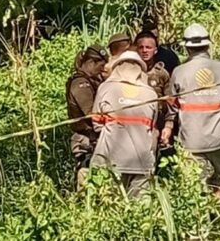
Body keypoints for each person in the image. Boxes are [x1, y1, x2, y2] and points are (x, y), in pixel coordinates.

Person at [162, 24, 220, 200]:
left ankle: (201, 220)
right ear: (208, 45)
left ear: (187, 47)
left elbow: (172, 104)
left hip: (191, 138)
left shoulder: (179, 72)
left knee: (195, 182)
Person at [90, 50, 158, 199]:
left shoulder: (106, 88)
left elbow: (96, 122)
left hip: (110, 159)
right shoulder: (151, 93)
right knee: (141, 210)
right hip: (142, 161)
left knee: (109, 205)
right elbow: (152, 127)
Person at [65, 44, 107, 189]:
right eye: (100, 66)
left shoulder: (92, 81)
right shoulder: (80, 84)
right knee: (86, 175)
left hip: (92, 138)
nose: (102, 71)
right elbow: (91, 113)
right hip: (85, 139)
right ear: (90, 63)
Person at [135, 31, 174, 158]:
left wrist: (168, 126)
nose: (145, 51)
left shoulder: (161, 74)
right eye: (141, 47)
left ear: (155, 50)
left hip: (157, 124)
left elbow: (170, 102)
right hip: (134, 124)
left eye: (148, 47)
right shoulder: (129, 72)